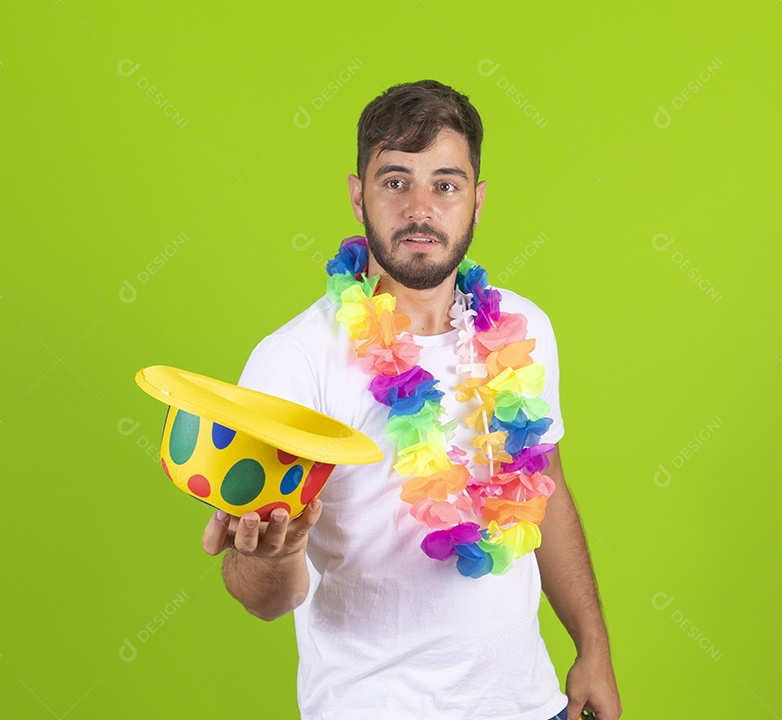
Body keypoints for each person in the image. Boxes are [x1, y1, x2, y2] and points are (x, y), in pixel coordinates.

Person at [202, 79, 622, 720]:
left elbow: (549, 488)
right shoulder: (294, 359)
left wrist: (593, 646)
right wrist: (276, 555)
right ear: (356, 195)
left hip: (530, 706)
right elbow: (259, 593)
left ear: (476, 203)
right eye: (396, 182)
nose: (421, 208)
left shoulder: (523, 329)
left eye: (445, 184)